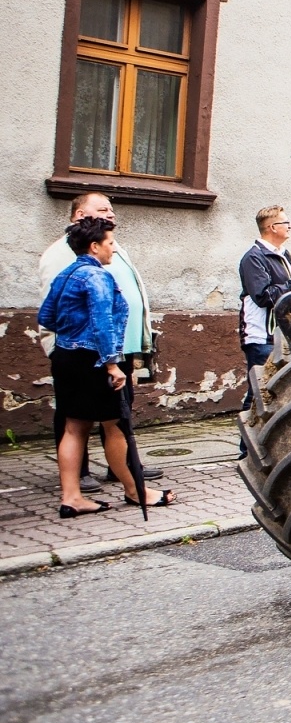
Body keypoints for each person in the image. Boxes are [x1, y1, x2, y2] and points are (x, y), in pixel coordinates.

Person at [39, 217, 173, 516]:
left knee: (74, 428)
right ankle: (135, 491)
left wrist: (73, 328)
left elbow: (47, 318)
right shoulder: (98, 277)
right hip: (95, 361)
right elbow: (103, 325)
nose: (113, 248)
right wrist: (112, 365)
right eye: (110, 243)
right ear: (95, 245)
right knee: (116, 427)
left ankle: (71, 497)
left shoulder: (65, 274)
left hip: (66, 356)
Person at [239, 206, 291, 424]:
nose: (290, 226)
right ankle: (246, 449)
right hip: (262, 336)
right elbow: (264, 296)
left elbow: (285, 292)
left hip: (283, 334)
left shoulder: (284, 254)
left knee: (276, 391)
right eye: (285, 222)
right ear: (272, 227)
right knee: (261, 392)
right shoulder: (253, 258)